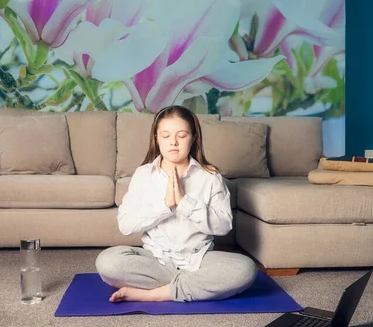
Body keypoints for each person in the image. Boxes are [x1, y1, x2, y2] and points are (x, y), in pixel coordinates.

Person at [95, 105, 257, 302]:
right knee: (108, 263)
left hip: (199, 259)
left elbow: (224, 226)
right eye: (165, 135)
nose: (173, 142)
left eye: (181, 135)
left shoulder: (210, 176)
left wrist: (184, 201)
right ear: (156, 138)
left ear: (194, 137)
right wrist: (165, 206)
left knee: (245, 269)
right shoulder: (143, 174)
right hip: (155, 260)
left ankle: (155, 294)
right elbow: (126, 225)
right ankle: (191, 286)